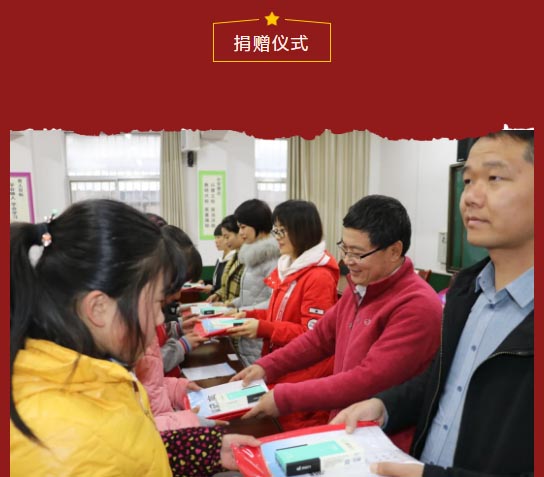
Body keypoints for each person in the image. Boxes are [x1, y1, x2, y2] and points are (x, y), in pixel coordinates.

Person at [330, 130, 534, 477]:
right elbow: (444, 381)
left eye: (494, 178)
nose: (470, 197)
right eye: (468, 181)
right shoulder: (466, 291)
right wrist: (385, 406)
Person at [10, 199, 259, 477]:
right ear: (98, 308)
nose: (161, 319)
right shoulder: (64, 443)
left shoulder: (93, 372)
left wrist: (204, 449)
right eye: (156, 303)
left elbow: (128, 450)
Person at [232, 195, 443, 451]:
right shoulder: (362, 287)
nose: (347, 260)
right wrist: (266, 367)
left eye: (358, 253)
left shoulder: (416, 304)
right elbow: (318, 339)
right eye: (345, 248)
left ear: (394, 251)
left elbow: (367, 380)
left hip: (380, 443)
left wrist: (285, 397)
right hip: (344, 428)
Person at [227, 199, 340, 430]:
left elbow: (313, 335)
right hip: (282, 364)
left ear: (302, 230)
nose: (276, 236)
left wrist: (263, 328)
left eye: (282, 231)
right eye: (275, 230)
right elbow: (278, 313)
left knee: (286, 430)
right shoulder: (288, 266)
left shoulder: (318, 276)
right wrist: (249, 314)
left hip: (303, 373)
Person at [228, 199, 280, 366]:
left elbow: (275, 301)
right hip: (248, 329)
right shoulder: (253, 255)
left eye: (243, 227)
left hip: (259, 334)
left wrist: (242, 311)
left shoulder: (272, 259)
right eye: (239, 227)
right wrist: (233, 304)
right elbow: (253, 293)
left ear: (257, 224)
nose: (240, 232)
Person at [206, 215, 245, 305]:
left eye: (227, 237)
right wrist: (218, 294)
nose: (226, 241)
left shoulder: (247, 259)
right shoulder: (235, 257)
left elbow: (246, 295)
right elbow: (226, 285)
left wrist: (226, 305)